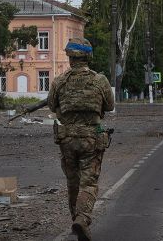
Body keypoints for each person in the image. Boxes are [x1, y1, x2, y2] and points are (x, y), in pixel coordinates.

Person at [48, 37, 114, 241]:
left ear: (69, 57)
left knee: (73, 183)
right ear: (88, 56)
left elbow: (52, 106)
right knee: (89, 182)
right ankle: (82, 218)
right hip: (91, 139)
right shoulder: (99, 80)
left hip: (67, 139)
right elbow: (110, 106)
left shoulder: (59, 81)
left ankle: (76, 219)